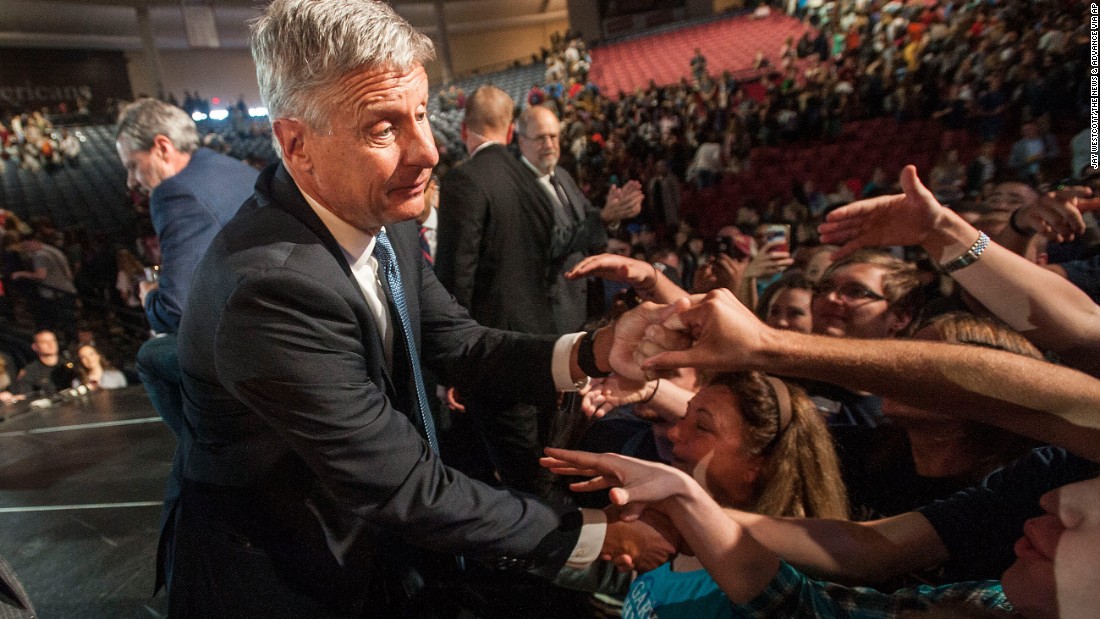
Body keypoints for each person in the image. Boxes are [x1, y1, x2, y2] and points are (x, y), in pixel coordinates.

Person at [170, 1, 671, 614]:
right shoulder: (267, 290)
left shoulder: (381, 213)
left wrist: (595, 351)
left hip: (372, 549)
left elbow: (459, 343)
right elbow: (403, 484)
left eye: (422, 115)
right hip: (287, 579)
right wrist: (592, 535)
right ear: (297, 144)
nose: (428, 152)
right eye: (384, 129)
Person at [114, 97, 260, 592]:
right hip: (281, 319)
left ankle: (208, 459)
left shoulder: (176, 193)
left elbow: (177, 309)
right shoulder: (232, 167)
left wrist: (148, 295)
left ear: (161, 147)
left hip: (247, 346)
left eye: (133, 167)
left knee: (151, 357)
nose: (131, 183)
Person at [0, 330, 76, 403]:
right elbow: (24, 397)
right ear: (35, 347)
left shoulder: (68, 363)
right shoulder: (30, 371)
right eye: (44, 342)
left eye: (53, 340)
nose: (50, 344)